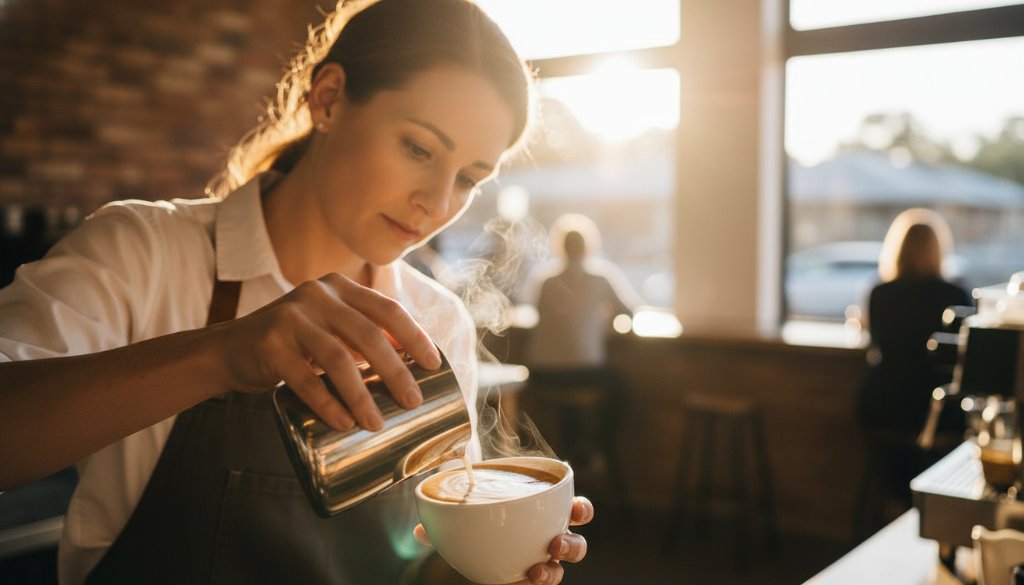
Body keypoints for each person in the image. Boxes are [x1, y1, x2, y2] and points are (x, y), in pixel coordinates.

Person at [0, 1, 592, 583]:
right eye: (418, 148)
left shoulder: (437, 321)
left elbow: (417, 554)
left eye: (467, 179)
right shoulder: (143, 253)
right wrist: (222, 354)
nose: (438, 203)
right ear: (329, 99)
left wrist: (492, 560)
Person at [855, 208, 972, 523]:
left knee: (891, 463)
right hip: (937, 414)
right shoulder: (956, 295)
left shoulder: (880, 294)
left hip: (885, 408)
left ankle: (899, 506)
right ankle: (930, 512)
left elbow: (877, 343)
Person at [519, 214, 641, 503]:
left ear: (560, 247)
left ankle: (573, 458)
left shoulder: (545, 279)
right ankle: (597, 445)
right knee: (620, 387)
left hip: (542, 374)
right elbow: (631, 313)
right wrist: (605, 326)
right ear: (589, 247)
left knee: (569, 403)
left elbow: (536, 315)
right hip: (583, 371)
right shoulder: (601, 277)